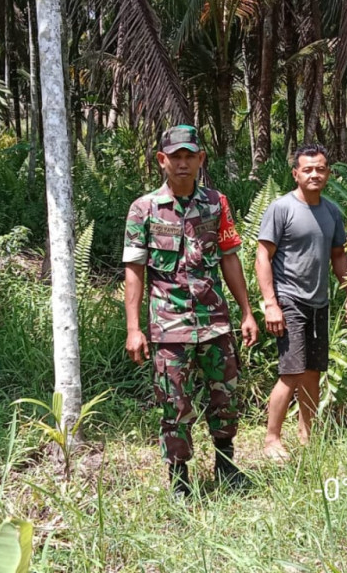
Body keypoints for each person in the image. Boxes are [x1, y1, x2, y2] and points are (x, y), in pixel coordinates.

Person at [123, 125, 259, 497]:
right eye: (175, 157)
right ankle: (180, 479)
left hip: (214, 321)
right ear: (162, 161)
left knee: (225, 396)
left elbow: (230, 259)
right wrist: (134, 329)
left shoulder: (217, 203)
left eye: (190, 156)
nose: (183, 163)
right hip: (168, 324)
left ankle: (227, 466)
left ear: (201, 159)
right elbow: (134, 271)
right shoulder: (144, 209)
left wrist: (246, 312)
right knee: (174, 403)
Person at [256, 144, 347, 461]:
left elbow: (339, 256)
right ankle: (272, 439)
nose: (314, 174)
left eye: (320, 168)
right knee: (291, 372)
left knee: (313, 371)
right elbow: (263, 256)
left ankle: (307, 434)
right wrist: (271, 303)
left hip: (319, 303)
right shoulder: (281, 209)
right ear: (295, 173)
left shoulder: (332, 212)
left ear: (328, 173)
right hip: (289, 299)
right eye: (307, 169)